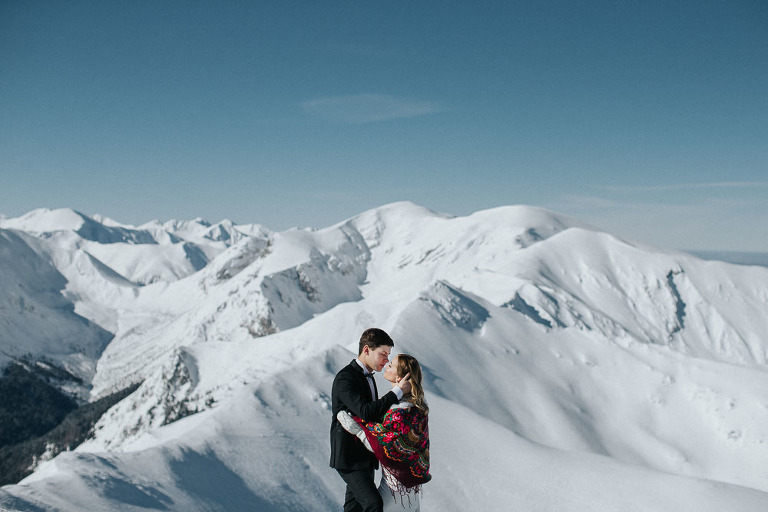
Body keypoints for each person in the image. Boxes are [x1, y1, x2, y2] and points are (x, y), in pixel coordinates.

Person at [330, 328, 412, 512]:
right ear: (366, 350)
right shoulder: (346, 378)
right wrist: (397, 391)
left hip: (365, 457)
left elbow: (374, 415)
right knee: (373, 504)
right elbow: (367, 412)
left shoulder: (368, 378)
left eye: (388, 355)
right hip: (350, 458)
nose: (386, 360)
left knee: (354, 508)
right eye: (383, 354)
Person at [337, 353, 431, 511]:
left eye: (392, 365)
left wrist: (358, 430)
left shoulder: (400, 411)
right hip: (413, 494)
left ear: (399, 377)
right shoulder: (418, 409)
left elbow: (385, 446)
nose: (387, 365)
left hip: (394, 493)